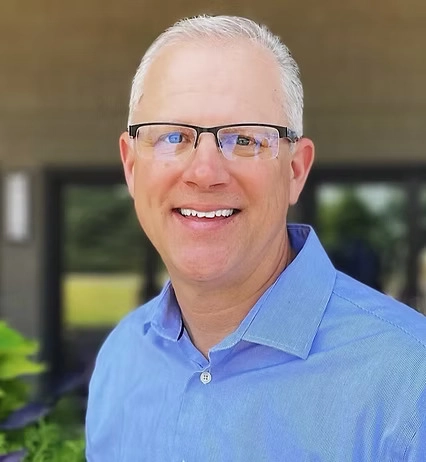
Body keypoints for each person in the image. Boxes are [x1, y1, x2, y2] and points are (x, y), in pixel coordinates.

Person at [85, 15, 426, 461]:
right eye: (172, 136)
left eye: (244, 140)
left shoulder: (410, 381)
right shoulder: (121, 358)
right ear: (131, 167)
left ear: (295, 170)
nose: (204, 172)